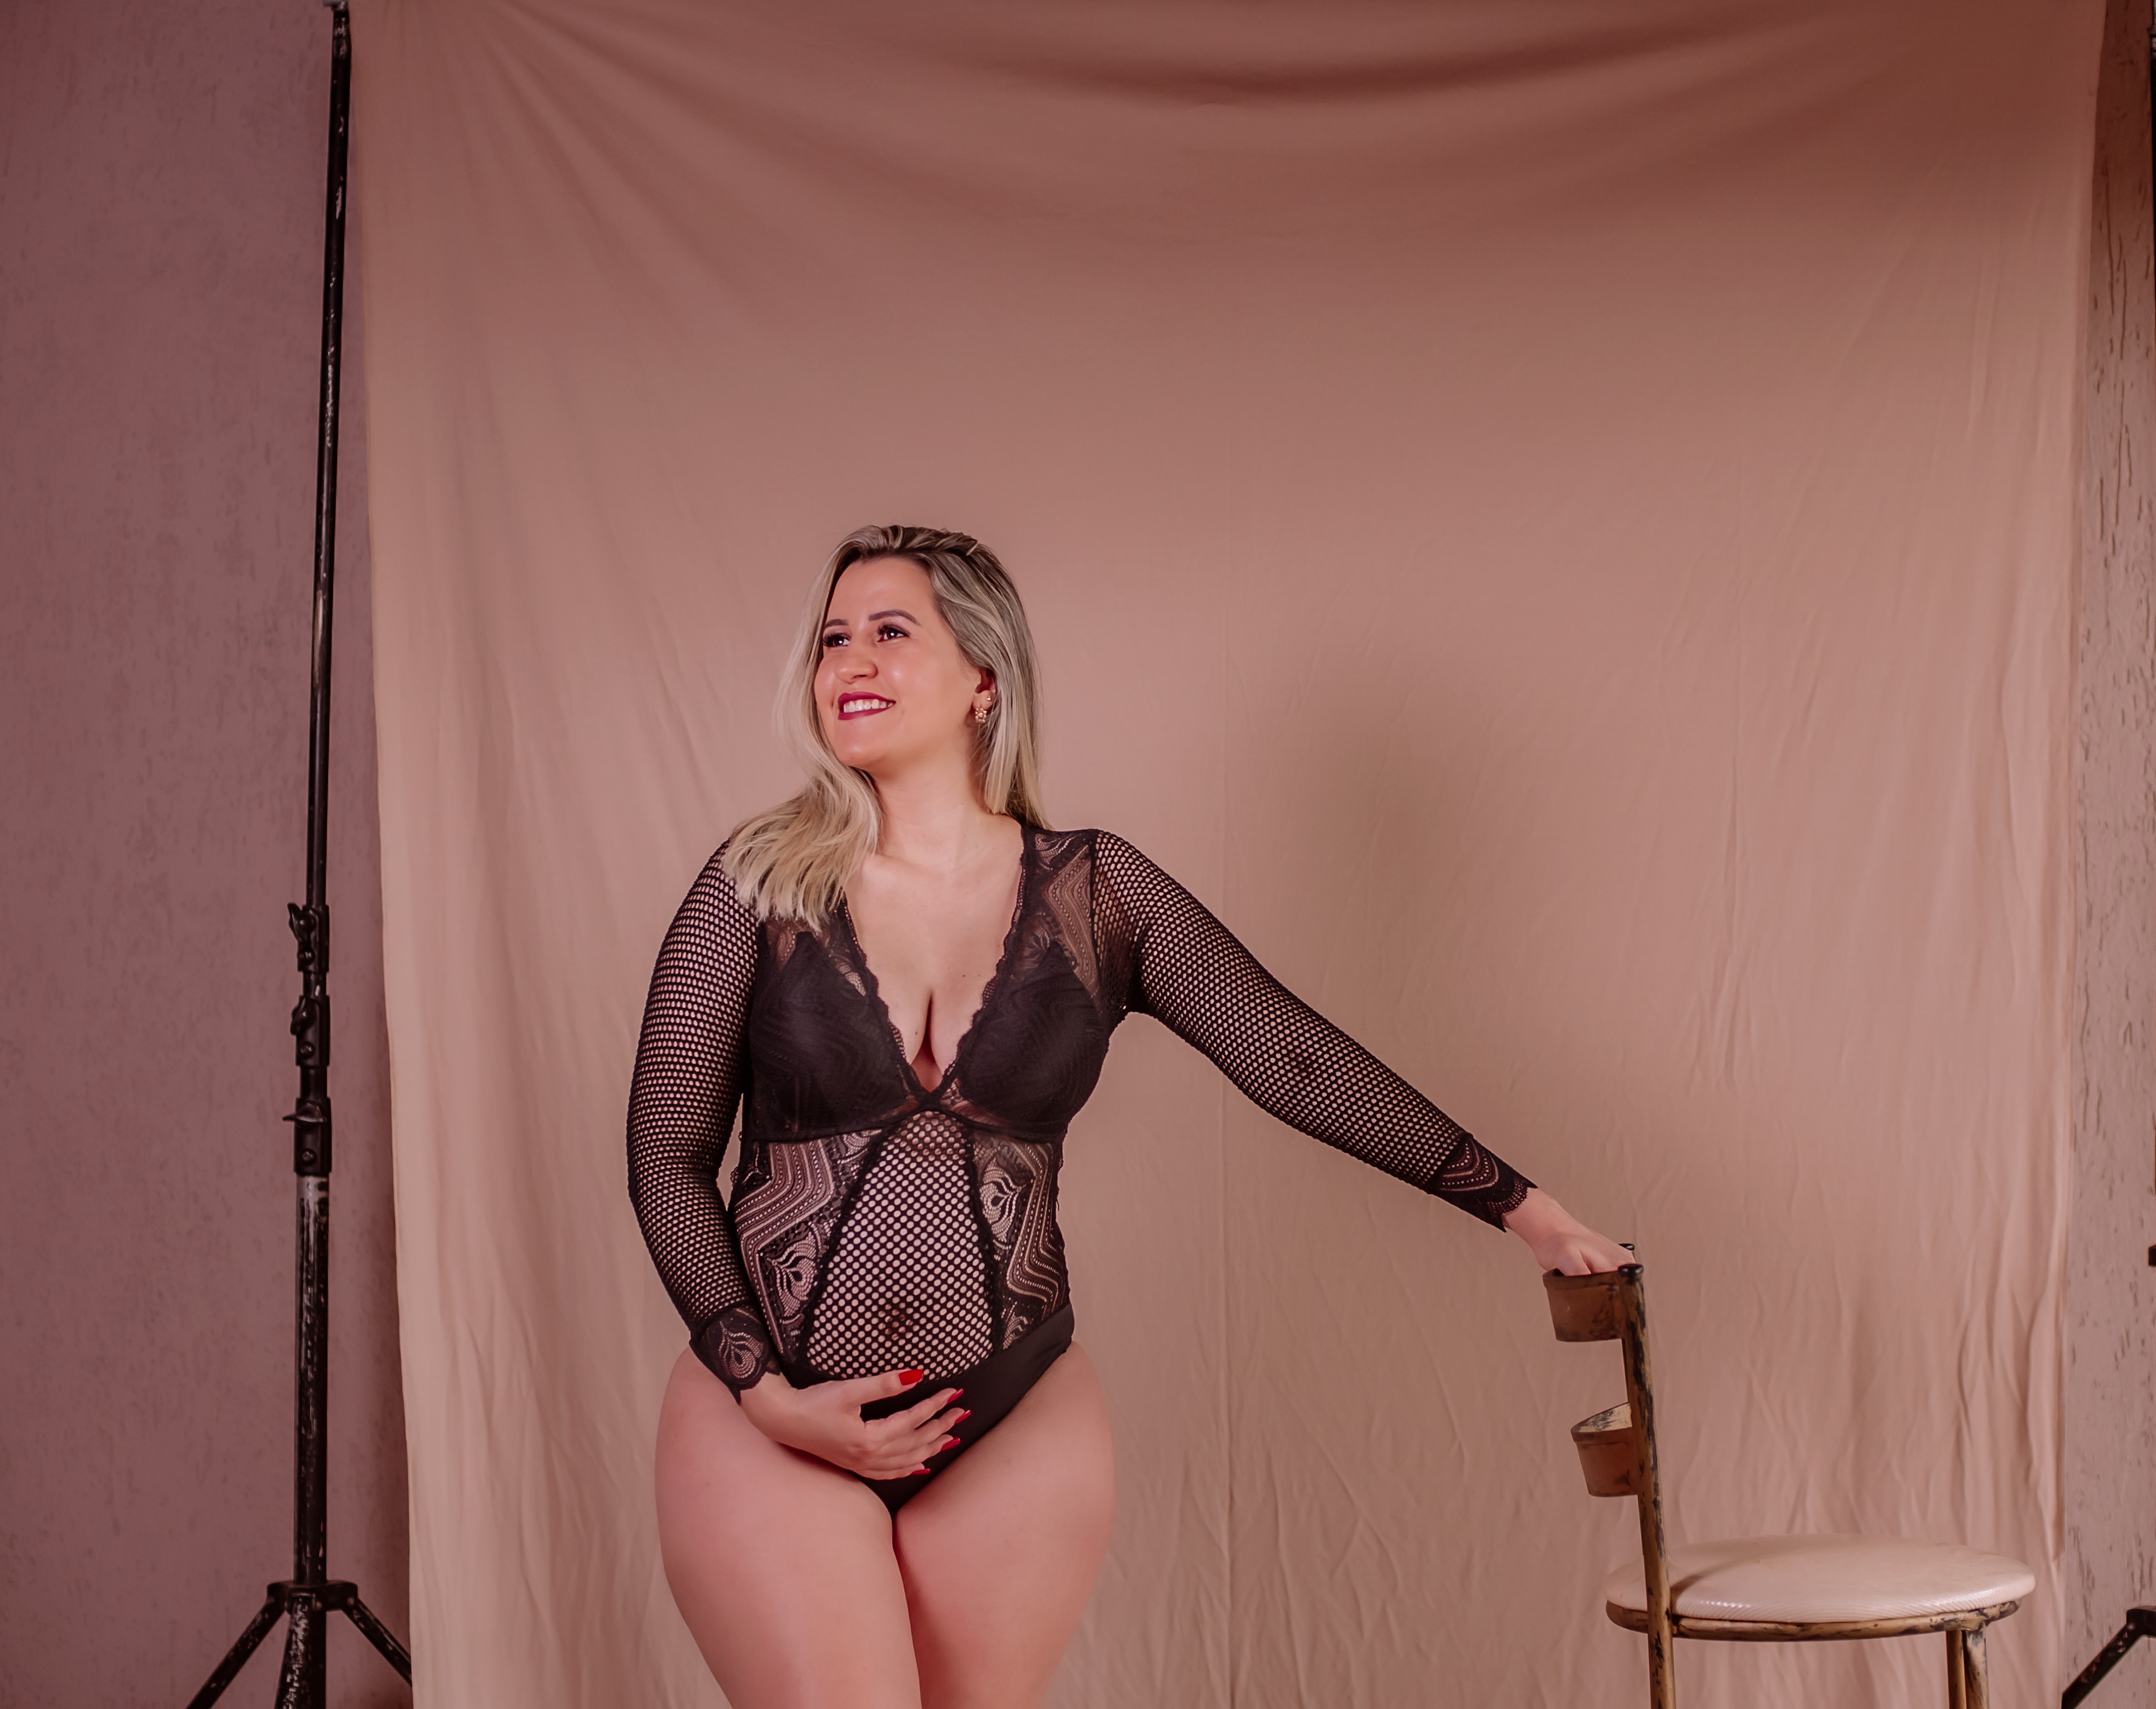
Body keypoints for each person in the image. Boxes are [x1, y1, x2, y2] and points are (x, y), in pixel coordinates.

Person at [628, 524, 1630, 1709]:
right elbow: (668, 1156)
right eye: (833, 639)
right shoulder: (757, 886)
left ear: (984, 678)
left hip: (1008, 1414)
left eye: (890, 633)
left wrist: (1528, 1211)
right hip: (773, 1409)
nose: (850, 661)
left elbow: (1293, 1058)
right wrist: (766, 1394)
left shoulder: (1097, 893)